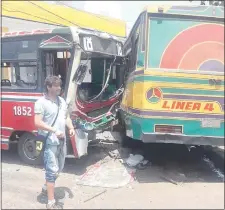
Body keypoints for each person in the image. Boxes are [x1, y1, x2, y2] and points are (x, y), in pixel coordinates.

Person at [34, 75, 75, 209]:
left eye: (59, 85)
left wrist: (71, 127)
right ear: (48, 87)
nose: (59, 88)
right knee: (52, 171)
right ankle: (50, 202)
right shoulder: (41, 102)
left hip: (61, 141)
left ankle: (46, 187)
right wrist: (54, 130)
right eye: (56, 86)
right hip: (49, 142)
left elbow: (66, 117)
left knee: (59, 169)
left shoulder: (62, 101)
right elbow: (37, 122)